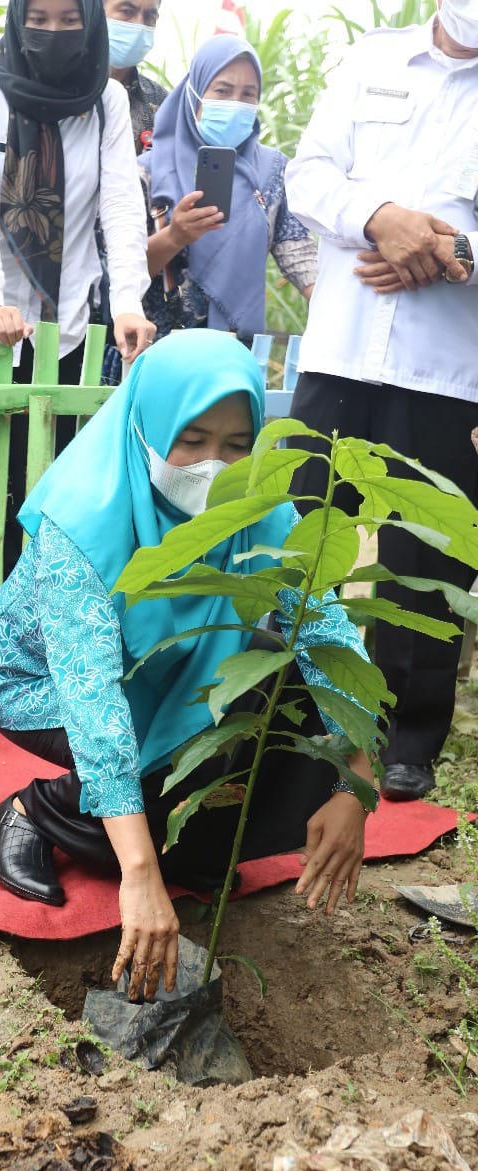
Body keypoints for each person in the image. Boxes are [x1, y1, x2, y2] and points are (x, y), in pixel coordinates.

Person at [0, 330, 378, 1001]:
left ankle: (185, 840)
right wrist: (139, 873)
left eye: (236, 444)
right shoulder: (85, 518)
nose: (213, 465)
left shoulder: (258, 506)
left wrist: (353, 787)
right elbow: (91, 696)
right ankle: (35, 812)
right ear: (147, 423)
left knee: (280, 687)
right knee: (143, 768)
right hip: (40, 682)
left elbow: (328, 632)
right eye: (192, 439)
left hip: (168, 674)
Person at [284, 0, 478, 802]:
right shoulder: (373, 60)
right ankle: (288, 710)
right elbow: (310, 174)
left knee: (425, 555)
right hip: (340, 346)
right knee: (300, 524)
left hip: (449, 366)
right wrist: (381, 220)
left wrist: (445, 251)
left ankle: (409, 738)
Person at [0, 0, 154, 642]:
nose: (53, 34)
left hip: (65, 327)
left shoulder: (105, 102)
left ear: (91, 25)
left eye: (69, 20)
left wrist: (130, 301)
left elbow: (120, 205)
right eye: (40, 19)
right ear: (18, 21)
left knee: (44, 498)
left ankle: (19, 652)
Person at [139, 34, 317, 341]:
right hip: (155, 348)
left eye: (249, 94)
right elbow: (118, 272)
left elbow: (300, 257)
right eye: (222, 91)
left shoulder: (273, 171)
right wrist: (174, 237)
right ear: (193, 92)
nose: (236, 103)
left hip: (235, 352)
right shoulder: (148, 172)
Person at [104, 0, 166, 153]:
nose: (139, 25)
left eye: (149, 17)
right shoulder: (67, 90)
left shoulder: (160, 101)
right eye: (127, 12)